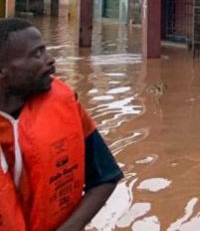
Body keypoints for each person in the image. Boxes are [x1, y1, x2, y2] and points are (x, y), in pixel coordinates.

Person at [0, 18, 122, 230]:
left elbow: (106, 178)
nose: (50, 60)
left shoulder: (65, 104)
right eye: (37, 54)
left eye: (45, 50)